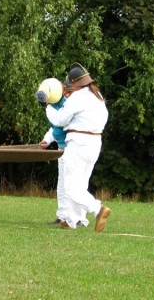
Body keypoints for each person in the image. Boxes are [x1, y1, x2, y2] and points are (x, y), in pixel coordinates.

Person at [45, 63, 111, 232]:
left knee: (70, 187)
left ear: (75, 83)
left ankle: (98, 209)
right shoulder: (97, 96)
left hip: (78, 143)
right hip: (95, 143)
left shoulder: (77, 97)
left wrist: (49, 107)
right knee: (80, 185)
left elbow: (59, 120)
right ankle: (72, 221)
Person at [35, 77, 88, 227]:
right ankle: (63, 216)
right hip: (62, 149)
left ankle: (80, 219)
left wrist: (50, 109)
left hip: (73, 148)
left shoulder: (69, 105)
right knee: (63, 185)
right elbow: (55, 128)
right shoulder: (56, 106)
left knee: (76, 185)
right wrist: (47, 139)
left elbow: (60, 122)